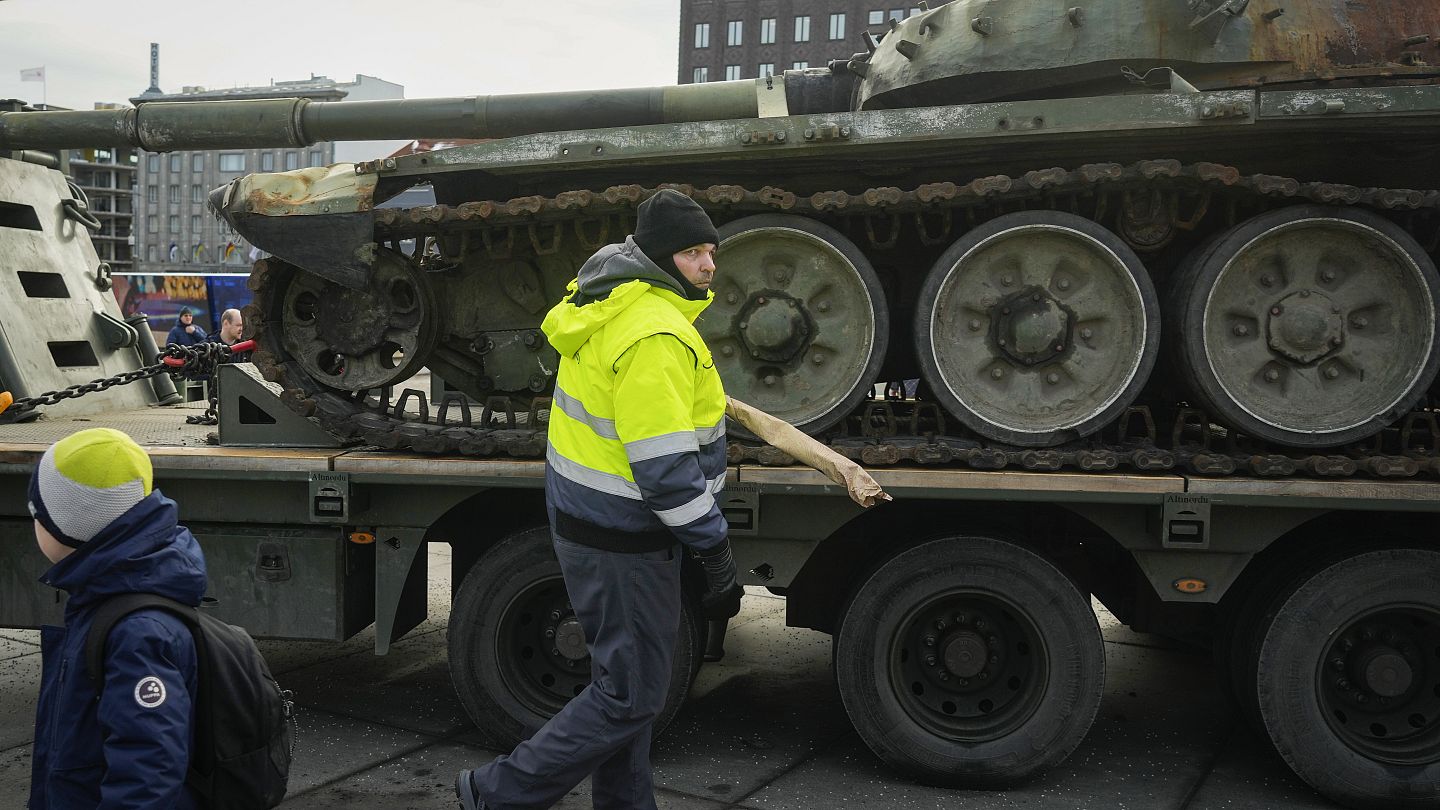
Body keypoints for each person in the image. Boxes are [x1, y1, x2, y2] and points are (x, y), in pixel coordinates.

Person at [457, 189, 743, 810]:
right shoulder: (656, 336)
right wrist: (715, 547)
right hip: (627, 539)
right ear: (662, 261)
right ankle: (496, 794)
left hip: (593, 523)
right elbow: (665, 470)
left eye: (711, 251)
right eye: (694, 253)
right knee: (632, 696)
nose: (708, 265)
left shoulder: (609, 302)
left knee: (625, 687)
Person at [27, 427, 207, 810]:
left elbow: (149, 766)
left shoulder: (136, 632)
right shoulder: (104, 598)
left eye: (37, 515)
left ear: (70, 529)